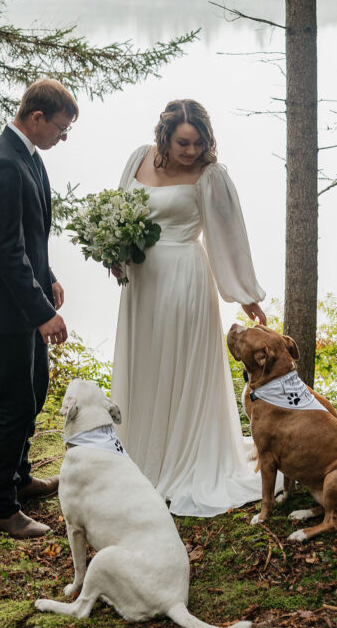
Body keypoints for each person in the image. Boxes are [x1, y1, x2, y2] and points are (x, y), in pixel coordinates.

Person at [111, 98, 267, 517]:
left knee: (179, 364)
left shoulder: (209, 175)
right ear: (164, 136)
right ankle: (141, 454)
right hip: (141, 284)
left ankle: (185, 457)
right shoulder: (137, 159)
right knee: (146, 364)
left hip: (185, 278)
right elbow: (118, 212)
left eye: (198, 143)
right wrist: (115, 252)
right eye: (183, 142)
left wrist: (244, 292)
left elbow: (228, 235)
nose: (191, 151)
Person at [0, 78, 78, 539]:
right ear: (36, 118)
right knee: (15, 403)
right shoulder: (1, 165)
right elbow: (6, 250)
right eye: (61, 128)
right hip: (1, 312)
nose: (61, 138)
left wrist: (47, 277)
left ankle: (21, 477)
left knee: (34, 388)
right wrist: (41, 311)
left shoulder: (29, 158)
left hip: (24, 304)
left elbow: (32, 236)